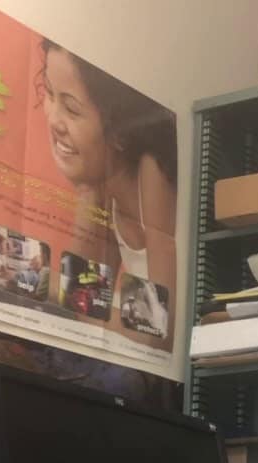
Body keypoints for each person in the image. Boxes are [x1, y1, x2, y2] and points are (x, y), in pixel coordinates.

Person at [38, 39, 177, 311]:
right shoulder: (100, 187)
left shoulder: (152, 172)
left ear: (119, 129)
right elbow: (78, 303)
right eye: (49, 93)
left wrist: (54, 286)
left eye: (72, 109)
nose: (54, 120)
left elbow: (161, 325)